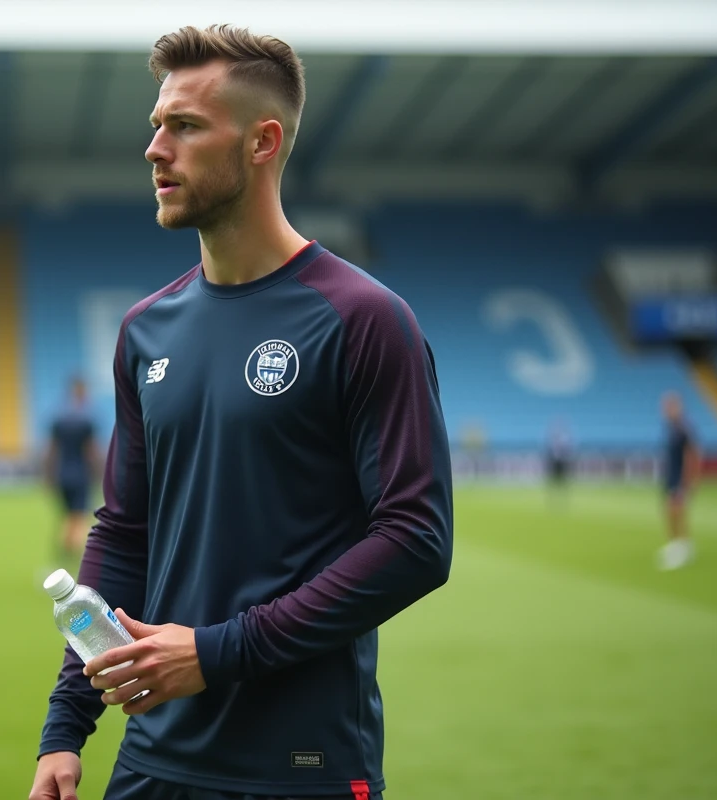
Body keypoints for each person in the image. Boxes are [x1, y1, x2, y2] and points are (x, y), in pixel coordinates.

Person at [30, 24, 453, 800]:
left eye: (186, 126)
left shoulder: (362, 319)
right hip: (153, 759)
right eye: (156, 125)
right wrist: (66, 725)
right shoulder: (146, 330)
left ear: (262, 142)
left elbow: (416, 539)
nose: (155, 149)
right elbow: (125, 531)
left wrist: (216, 652)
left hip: (300, 766)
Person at [45, 377, 101, 563]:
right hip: (80, 474)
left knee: (68, 515)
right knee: (79, 515)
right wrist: (100, 473)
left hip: (62, 474)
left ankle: (64, 552)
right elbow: (91, 451)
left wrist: (48, 476)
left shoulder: (59, 418)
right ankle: (75, 552)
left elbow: (52, 450)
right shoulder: (87, 420)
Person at [657, 391, 699, 570]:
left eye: (669, 406)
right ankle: (678, 545)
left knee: (676, 511)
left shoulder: (684, 428)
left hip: (680, 477)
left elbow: (692, 455)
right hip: (671, 476)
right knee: (670, 512)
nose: (665, 410)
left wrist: (689, 480)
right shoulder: (670, 428)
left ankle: (681, 547)